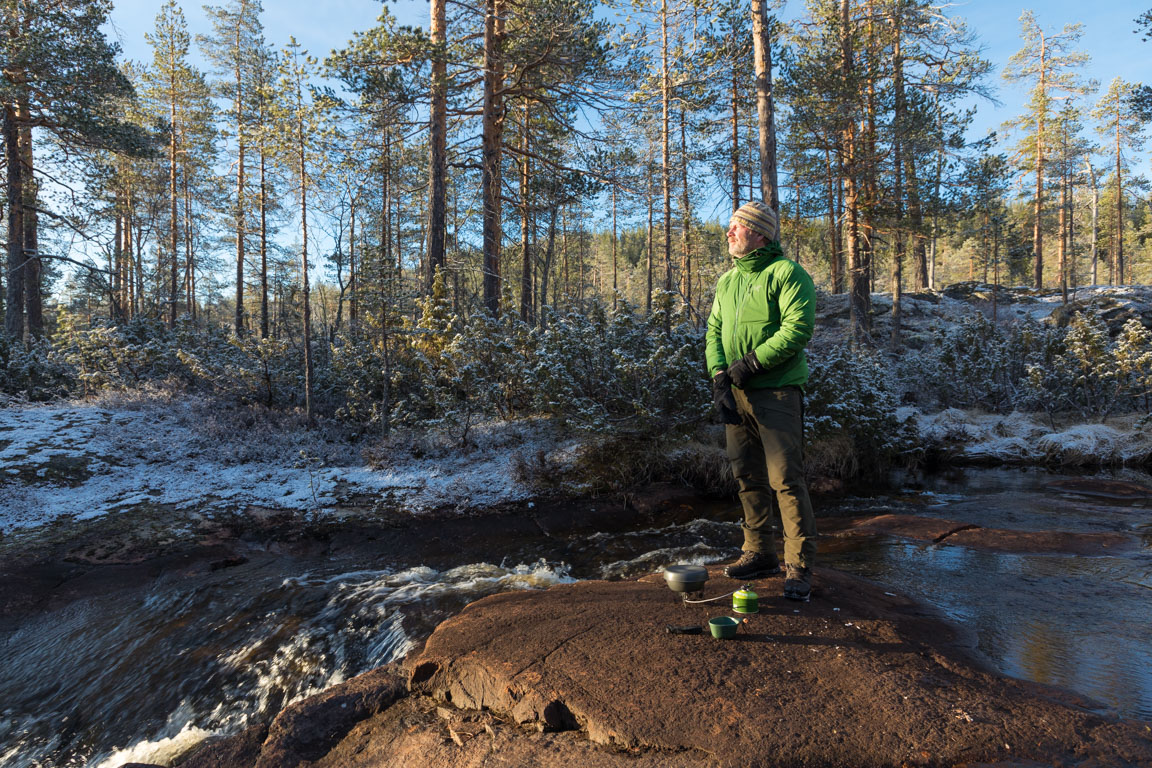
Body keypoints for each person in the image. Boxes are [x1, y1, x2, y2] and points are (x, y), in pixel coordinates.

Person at [705, 200, 817, 601]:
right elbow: (714, 331)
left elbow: (798, 329)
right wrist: (720, 377)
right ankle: (759, 553)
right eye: (731, 225)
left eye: (737, 226)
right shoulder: (727, 281)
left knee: (786, 479)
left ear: (760, 234)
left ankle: (799, 566)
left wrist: (751, 363)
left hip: (778, 392)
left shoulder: (787, 274)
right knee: (746, 475)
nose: (729, 232)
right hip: (736, 393)